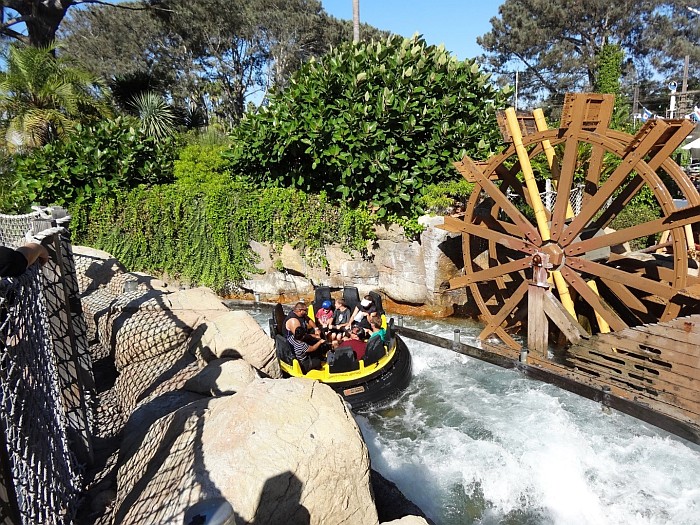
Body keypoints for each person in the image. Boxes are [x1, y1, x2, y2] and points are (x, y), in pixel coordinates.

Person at [285, 302, 324, 372]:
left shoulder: (301, 314)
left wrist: (316, 329)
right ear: (300, 310)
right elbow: (300, 336)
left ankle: (319, 355)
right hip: (297, 344)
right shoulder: (294, 321)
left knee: (320, 333)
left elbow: (308, 319)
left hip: (300, 338)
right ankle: (317, 359)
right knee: (316, 341)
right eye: (305, 310)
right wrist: (316, 338)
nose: (306, 312)